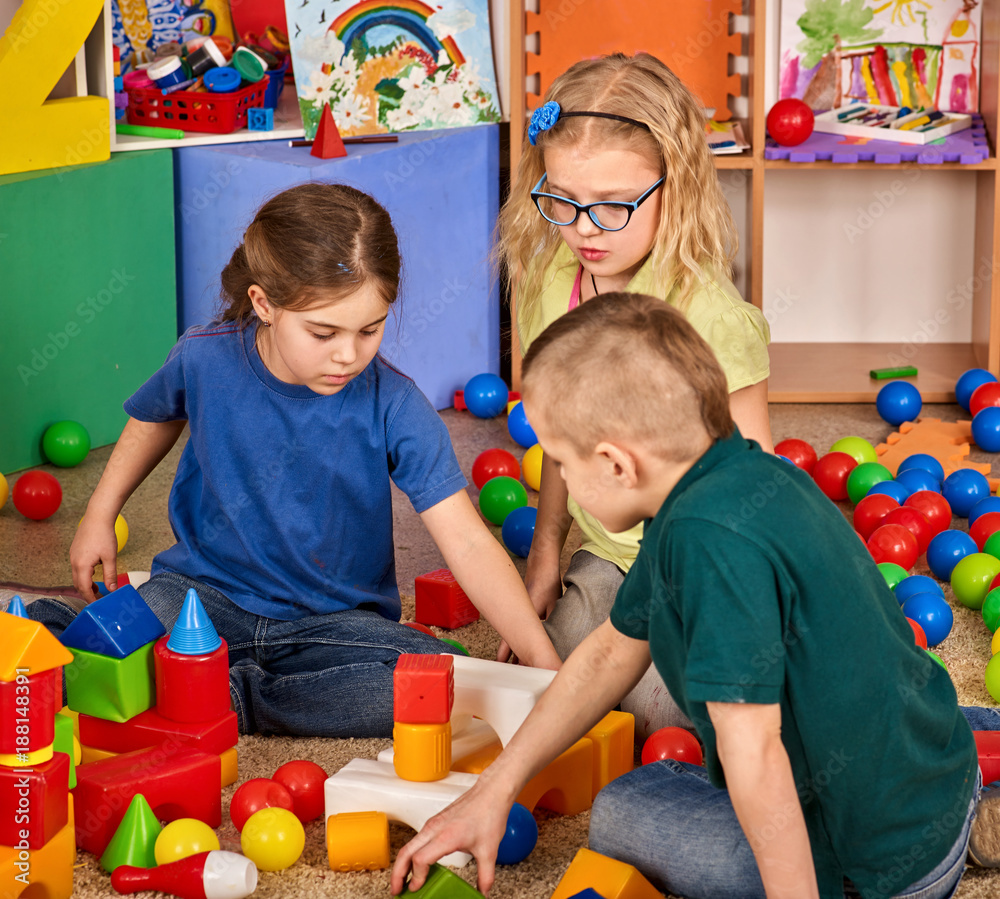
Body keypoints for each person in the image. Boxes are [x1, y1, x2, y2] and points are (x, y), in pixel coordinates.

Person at [391, 293, 995, 899]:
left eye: (565, 464)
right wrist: (494, 789)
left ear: (616, 464)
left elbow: (754, 757)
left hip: (881, 869)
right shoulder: (733, 475)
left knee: (626, 808)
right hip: (938, 768)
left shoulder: (705, 543)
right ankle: (972, 803)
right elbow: (611, 652)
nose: (563, 483)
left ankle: (952, 839)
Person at [28, 183, 561, 738]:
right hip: (200, 599)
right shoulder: (205, 356)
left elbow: (469, 541)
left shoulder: (395, 404)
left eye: (369, 330)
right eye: (323, 332)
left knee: (426, 680)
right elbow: (156, 415)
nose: (348, 354)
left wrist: (542, 660)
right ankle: (86, 639)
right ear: (264, 304)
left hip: (332, 626)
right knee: (90, 649)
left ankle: (241, 696)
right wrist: (99, 513)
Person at [500, 53, 771, 737]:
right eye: (562, 200)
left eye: (613, 206)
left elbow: (755, 494)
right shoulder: (546, 283)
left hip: (697, 563)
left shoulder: (711, 318)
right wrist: (543, 559)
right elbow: (560, 440)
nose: (585, 228)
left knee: (667, 714)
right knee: (547, 682)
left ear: (674, 189)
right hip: (609, 552)